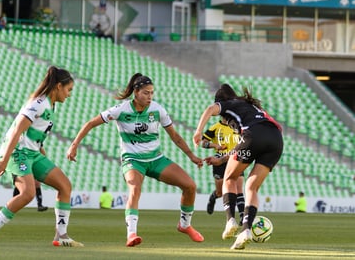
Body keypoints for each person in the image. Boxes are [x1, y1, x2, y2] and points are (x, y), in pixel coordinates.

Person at [67, 73, 204, 247]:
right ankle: (131, 234)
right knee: (135, 188)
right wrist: (74, 145)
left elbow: (175, 136)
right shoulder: (121, 109)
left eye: (152, 93)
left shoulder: (157, 109)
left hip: (156, 159)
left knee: (190, 186)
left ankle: (185, 225)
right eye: (146, 93)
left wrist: (192, 156)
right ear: (136, 92)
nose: (150, 96)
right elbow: (90, 123)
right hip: (132, 160)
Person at [0, 66, 83, 248]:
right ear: (59, 86)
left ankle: (61, 235)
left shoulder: (50, 105)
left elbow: (35, 136)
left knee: (65, 186)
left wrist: (43, 157)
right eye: (69, 90)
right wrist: (4, 160)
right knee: (28, 193)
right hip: (17, 153)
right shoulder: (38, 103)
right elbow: (17, 131)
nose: (69, 95)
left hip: (33, 154)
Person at [193, 83, 283, 250]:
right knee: (251, 187)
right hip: (276, 140)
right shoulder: (250, 107)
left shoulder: (228, 104)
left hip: (253, 135)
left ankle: (230, 221)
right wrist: (222, 160)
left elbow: (209, 109)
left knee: (229, 177)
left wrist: (198, 131)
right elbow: (244, 144)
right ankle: (246, 230)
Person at [201, 117, 245, 226]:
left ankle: (243, 216)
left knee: (238, 188)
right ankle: (213, 197)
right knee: (220, 192)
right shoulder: (215, 128)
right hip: (219, 160)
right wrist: (215, 145)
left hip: (235, 158)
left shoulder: (237, 127)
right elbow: (203, 142)